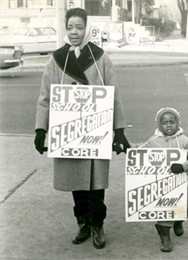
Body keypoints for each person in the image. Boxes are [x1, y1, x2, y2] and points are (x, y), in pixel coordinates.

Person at [34, 8, 129, 249]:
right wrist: (41, 130)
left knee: (96, 184)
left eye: (79, 27)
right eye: (70, 27)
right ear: (65, 29)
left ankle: (98, 225)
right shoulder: (56, 59)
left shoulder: (101, 58)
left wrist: (119, 131)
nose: (74, 32)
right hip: (70, 134)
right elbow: (45, 97)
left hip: (96, 132)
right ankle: (83, 222)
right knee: (77, 183)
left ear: (87, 29)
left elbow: (114, 95)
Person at [130, 107, 188, 252]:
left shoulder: (185, 140)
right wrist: (125, 147)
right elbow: (138, 149)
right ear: (159, 125)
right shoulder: (153, 140)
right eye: (165, 122)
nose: (168, 125)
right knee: (163, 208)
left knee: (185, 207)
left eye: (172, 122)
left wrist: (184, 166)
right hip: (161, 184)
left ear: (177, 123)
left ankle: (179, 220)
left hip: (180, 182)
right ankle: (165, 236)